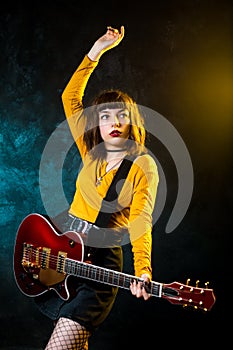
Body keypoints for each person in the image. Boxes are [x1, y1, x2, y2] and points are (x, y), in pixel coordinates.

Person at [35, 25, 159, 350]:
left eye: (121, 116)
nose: (113, 122)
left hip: (102, 264)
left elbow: (142, 221)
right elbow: (70, 98)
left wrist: (143, 270)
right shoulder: (91, 153)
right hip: (67, 254)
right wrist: (97, 50)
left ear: (131, 122)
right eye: (105, 117)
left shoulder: (142, 165)